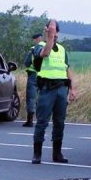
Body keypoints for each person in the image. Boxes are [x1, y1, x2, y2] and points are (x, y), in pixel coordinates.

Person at [31, 20, 77, 164]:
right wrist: (49, 37)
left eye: (56, 31)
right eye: (52, 30)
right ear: (46, 31)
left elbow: (67, 69)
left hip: (61, 90)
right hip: (46, 90)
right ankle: (37, 153)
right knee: (42, 122)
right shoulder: (40, 46)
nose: (54, 33)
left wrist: (73, 89)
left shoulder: (62, 50)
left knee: (59, 122)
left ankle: (57, 153)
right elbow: (46, 53)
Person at [22, 33, 44, 127]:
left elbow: (27, 63)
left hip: (33, 75)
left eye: (34, 39)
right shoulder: (48, 47)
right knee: (43, 97)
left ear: (38, 39)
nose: (34, 41)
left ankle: (30, 120)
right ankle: (42, 119)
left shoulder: (33, 49)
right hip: (45, 76)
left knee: (31, 97)